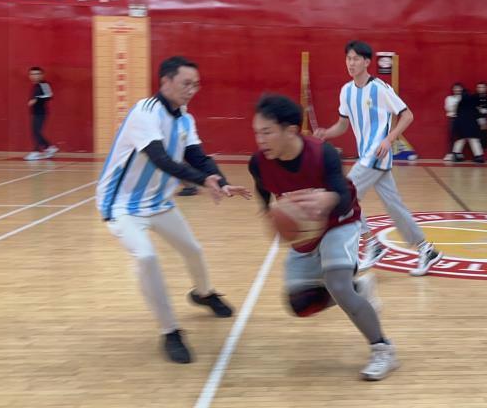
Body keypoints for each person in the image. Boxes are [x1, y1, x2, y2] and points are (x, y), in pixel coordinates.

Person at [97, 56, 251, 364]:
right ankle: (170, 331)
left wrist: (220, 181)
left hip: (159, 203)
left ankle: (203, 293)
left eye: (196, 85)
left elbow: (197, 157)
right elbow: (161, 160)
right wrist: (204, 181)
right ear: (165, 82)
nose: (192, 90)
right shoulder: (144, 112)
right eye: (186, 83)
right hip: (123, 206)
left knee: (193, 250)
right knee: (146, 257)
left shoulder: (184, 119)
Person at [249, 94, 399, 381]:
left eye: (267, 132)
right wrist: (268, 214)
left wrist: (327, 199)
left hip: (340, 221)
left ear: (291, 130)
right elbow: (262, 189)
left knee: (338, 286)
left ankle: (383, 349)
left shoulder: (323, 154)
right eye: (257, 133)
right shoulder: (258, 163)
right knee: (300, 304)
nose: (260, 140)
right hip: (306, 232)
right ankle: (360, 289)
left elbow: (342, 196)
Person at [315, 41, 442, 275]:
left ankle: (372, 244)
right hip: (368, 156)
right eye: (348, 59)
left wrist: (389, 139)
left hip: (375, 154)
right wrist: (326, 133)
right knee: (394, 206)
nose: (351, 63)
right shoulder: (346, 91)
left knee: (343, 196)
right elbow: (342, 124)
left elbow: (407, 115)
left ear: (366, 62)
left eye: (356, 59)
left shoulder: (380, 89)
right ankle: (426, 249)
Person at [24, 67, 58, 160]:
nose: (35, 76)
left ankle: (41, 150)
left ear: (42, 75)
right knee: (36, 132)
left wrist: (36, 99)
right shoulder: (36, 86)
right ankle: (45, 149)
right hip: (36, 112)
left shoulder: (44, 84)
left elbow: (49, 96)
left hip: (41, 112)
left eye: (37, 74)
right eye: (32, 74)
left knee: (36, 132)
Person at [449, 88, 485, 163]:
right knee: (474, 140)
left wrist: (455, 126)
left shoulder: (459, 104)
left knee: (460, 140)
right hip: (472, 125)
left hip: (461, 125)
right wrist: (482, 123)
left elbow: (456, 115)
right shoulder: (473, 103)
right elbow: (478, 114)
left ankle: (456, 155)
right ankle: (479, 156)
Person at [443, 83, 463, 160]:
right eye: (455, 88)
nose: (457, 89)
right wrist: (457, 106)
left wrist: (456, 107)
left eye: (459, 88)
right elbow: (448, 108)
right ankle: (450, 153)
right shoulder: (449, 98)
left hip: (461, 119)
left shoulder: (464, 98)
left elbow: (464, 109)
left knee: (460, 137)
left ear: (461, 89)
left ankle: (458, 153)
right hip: (452, 119)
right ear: (453, 89)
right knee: (451, 136)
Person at [475, 82, 487, 151]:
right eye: (479, 87)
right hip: (474, 119)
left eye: (482, 87)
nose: (481, 89)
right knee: (475, 136)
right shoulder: (474, 97)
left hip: (483, 119)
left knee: (483, 134)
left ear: (486, 88)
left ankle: (482, 149)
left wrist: (481, 110)